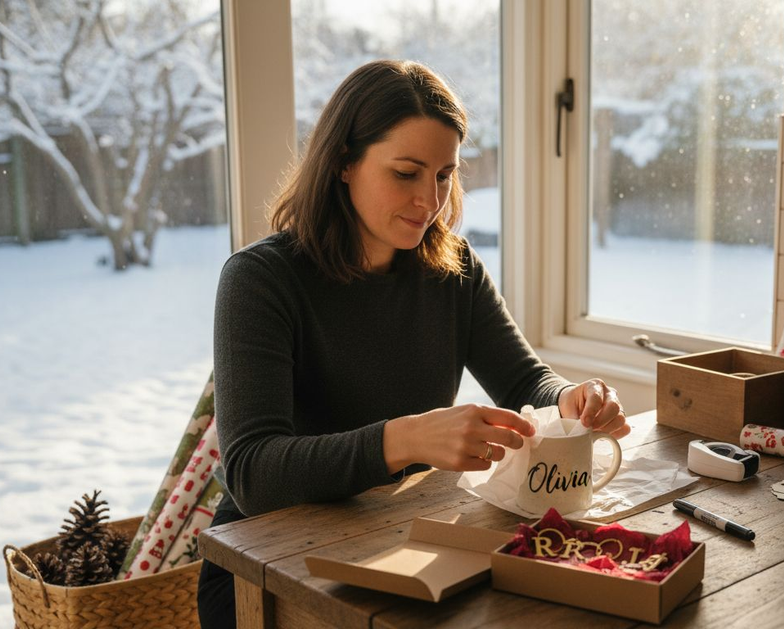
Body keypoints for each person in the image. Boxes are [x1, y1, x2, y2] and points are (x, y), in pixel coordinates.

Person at [196, 59, 630, 628]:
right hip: (264, 567)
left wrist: (570, 399)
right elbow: (254, 474)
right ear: (344, 162)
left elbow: (526, 381)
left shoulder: (454, 270)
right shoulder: (259, 280)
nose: (430, 200)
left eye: (445, 175)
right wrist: (403, 440)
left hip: (393, 540)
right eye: (406, 173)